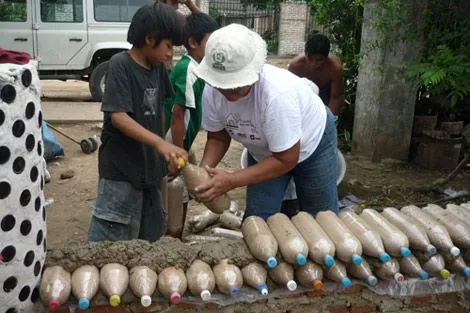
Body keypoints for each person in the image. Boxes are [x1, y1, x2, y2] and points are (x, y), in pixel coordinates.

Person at [192, 24, 339, 220]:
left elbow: (286, 158)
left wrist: (232, 180)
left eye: (234, 84)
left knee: (322, 218)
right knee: (258, 220)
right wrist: (203, 171)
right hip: (265, 152)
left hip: (312, 143)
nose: (228, 91)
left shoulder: (276, 95)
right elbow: (218, 136)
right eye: (222, 84)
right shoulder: (212, 91)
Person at [87, 3, 188, 242]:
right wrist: (161, 145)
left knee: (150, 238)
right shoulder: (120, 64)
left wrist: (165, 154)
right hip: (121, 173)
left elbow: (160, 113)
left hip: (150, 173)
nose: (170, 53)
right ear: (150, 38)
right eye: (168, 46)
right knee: (112, 243)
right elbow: (119, 117)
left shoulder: (159, 69)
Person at [163, 12, 218, 223]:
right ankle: (170, 234)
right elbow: (178, 114)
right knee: (173, 187)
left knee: (182, 188)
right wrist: (178, 151)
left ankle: (178, 233)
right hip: (172, 141)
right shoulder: (188, 70)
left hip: (181, 141)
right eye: (209, 42)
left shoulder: (199, 69)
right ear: (193, 43)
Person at [288, 33, 344, 116]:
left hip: (325, 97)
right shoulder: (295, 66)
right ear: (305, 52)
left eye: (319, 60)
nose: (313, 64)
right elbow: (290, 96)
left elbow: (335, 98)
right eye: (309, 58)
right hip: (303, 98)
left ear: (326, 57)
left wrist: (331, 120)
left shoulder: (335, 68)